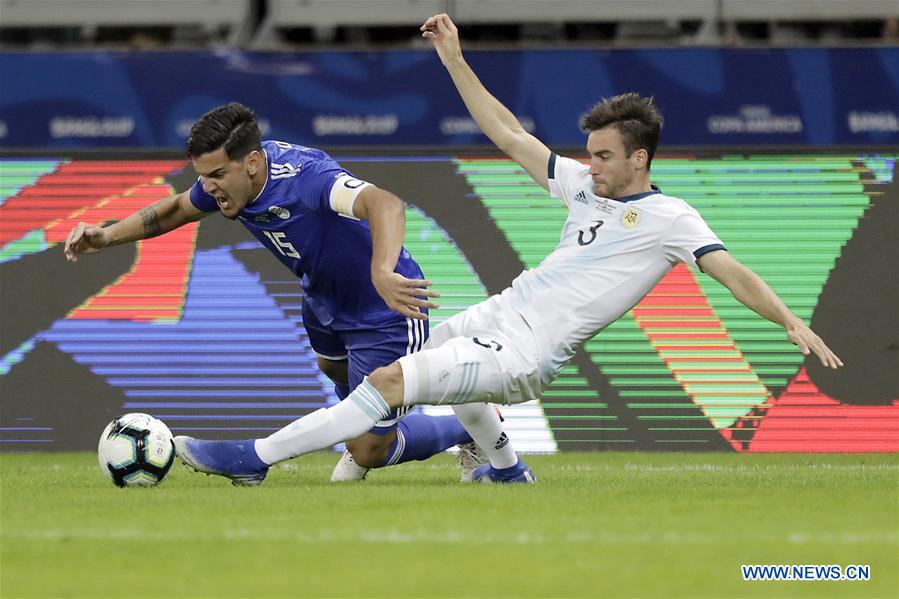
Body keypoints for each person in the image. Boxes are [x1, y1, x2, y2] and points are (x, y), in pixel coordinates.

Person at [173, 15, 843, 484]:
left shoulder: (670, 218)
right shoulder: (584, 186)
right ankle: (503, 466)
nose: (590, 163)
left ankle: (254, 455)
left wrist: (787, 319)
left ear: (640, 158)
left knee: (386, 383)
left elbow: (731, 272)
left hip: (526, 354)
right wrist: (454, 60)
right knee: (415, 359)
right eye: (590, 152)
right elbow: (504, 132)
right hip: (499, 313)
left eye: (605, 155)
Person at [63, 102, 508, 485]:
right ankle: (364, 423)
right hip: (322, 300)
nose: (209, 187)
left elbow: (385, 203)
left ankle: (463, 431)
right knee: (330, 365)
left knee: (370, 449)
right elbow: (178, 207)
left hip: (384, 308)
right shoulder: (226, 185)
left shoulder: (307, 179)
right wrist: (106, 236)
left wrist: (382, 271)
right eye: (203, 176)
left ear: (252, 162)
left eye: (218, 174)